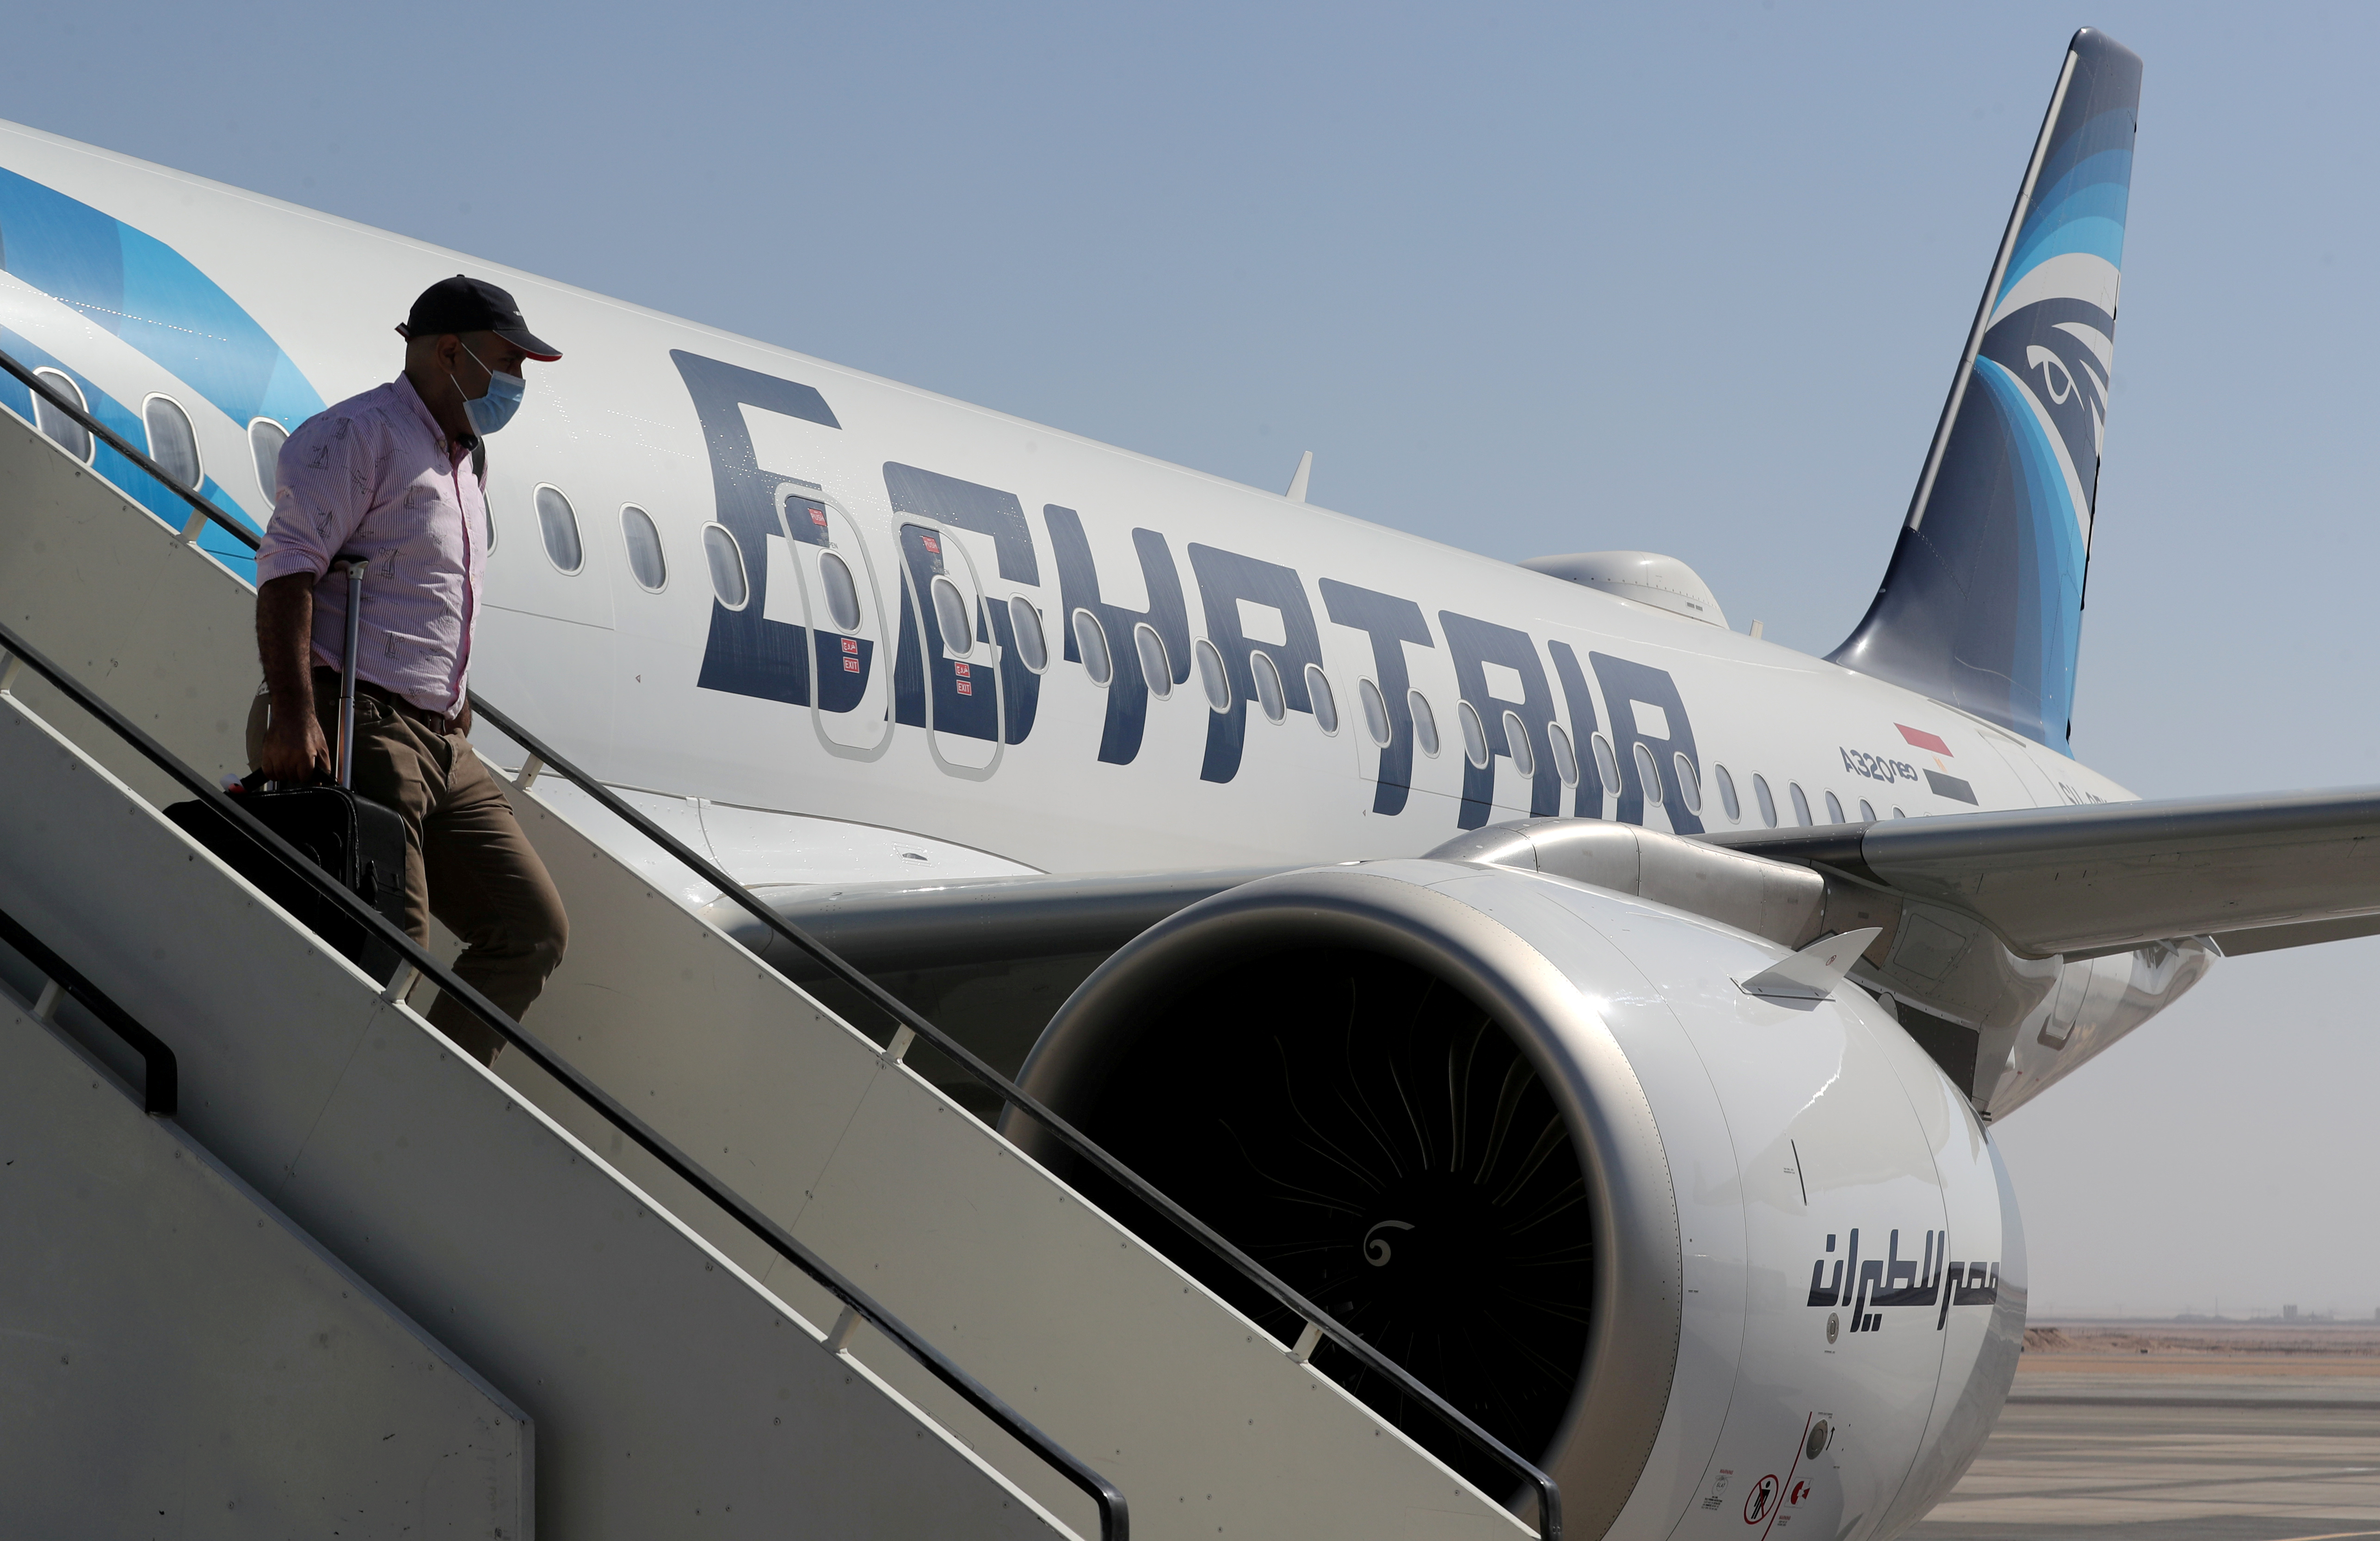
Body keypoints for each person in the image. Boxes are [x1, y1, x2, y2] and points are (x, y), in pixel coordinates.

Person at [248, 275, 567, 1065]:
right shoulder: (357, 434)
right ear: (451, 352)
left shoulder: (465, 459)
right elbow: (287, 573)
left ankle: (425, 1090)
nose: (517, 383)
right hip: (362, 718)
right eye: (510, 362)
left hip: (441, 739)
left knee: (529, 931)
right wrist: (295, 714)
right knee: (395, 943)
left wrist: (454, 701)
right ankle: (374, 1106)